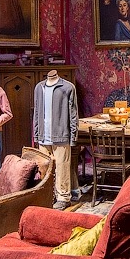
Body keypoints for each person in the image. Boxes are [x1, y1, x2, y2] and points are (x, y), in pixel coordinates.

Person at [33, 70, 80, 209]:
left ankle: (64, 197)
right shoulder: (39, 87)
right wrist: (36, 133)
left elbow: (73, 113)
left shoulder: (67, 87)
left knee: (62, 167)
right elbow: (36, 111)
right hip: (43, 136)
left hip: (61, 134)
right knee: (45, 169)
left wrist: (73, 135)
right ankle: (49, 195)